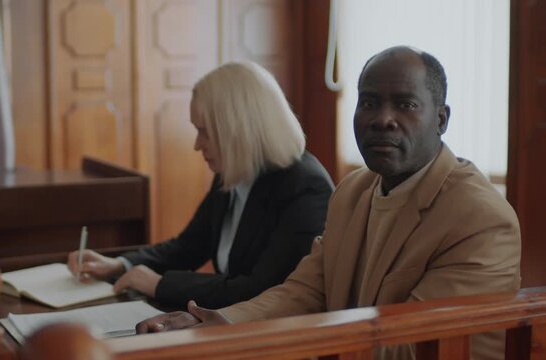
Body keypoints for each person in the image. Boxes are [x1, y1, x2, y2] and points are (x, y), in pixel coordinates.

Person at [135, 46, 521, 359]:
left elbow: (416, 345)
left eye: (405, 104)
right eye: (369, 102)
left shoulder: (481, 218)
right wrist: (217, 322)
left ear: (441, 119)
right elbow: (305, 291)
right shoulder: (353, 192)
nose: (382, 119)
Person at [67, 61, 334, 309]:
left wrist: (158, 284)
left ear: (240, 130)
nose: (197, 145)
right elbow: (189, 246)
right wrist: (120, 264)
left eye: (205, 132)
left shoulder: (306, 188)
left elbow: (261, 290)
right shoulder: (234, 170)